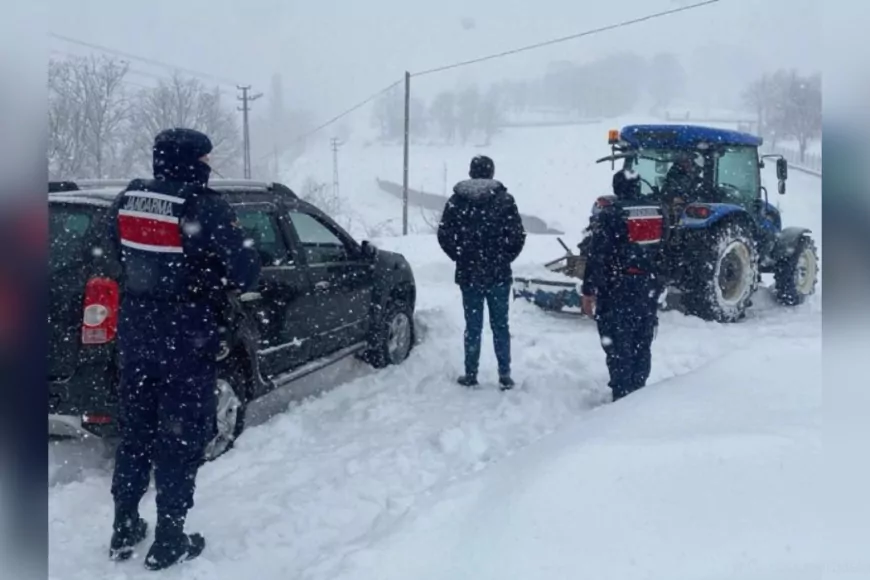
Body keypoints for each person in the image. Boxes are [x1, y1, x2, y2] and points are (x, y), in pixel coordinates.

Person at [105, 128, 260, 570]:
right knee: (179, 435)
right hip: (186, 338)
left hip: (136, 337)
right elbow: (245, 271)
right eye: (206, 159)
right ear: (192, 161)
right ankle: (169, 537)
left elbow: (110, 253)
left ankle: (124, 526)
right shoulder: (205, 207)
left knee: (135, 433)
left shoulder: (129, 198)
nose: (210, 166)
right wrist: (208, 279)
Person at [437, 155, 526, 390]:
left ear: (471, 172)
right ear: (491, 172)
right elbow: (518, 236)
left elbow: (444, 235)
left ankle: (471, 373)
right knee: (501, 326)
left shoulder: (457, 201)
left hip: (469, 274)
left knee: (473, 326)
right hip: (498, 274)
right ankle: (505, 375)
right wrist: (504, 257)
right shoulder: (505, 200)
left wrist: (460, 256)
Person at [581, 169, 663, 402]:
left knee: (617, 341)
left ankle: (622, 393)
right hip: (647, 286)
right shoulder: (657, 212)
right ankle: (638, 387)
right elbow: (663, 251)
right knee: (642, 339)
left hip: (617, 287)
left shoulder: (610, 215)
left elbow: (597, 255)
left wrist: (588, 291)